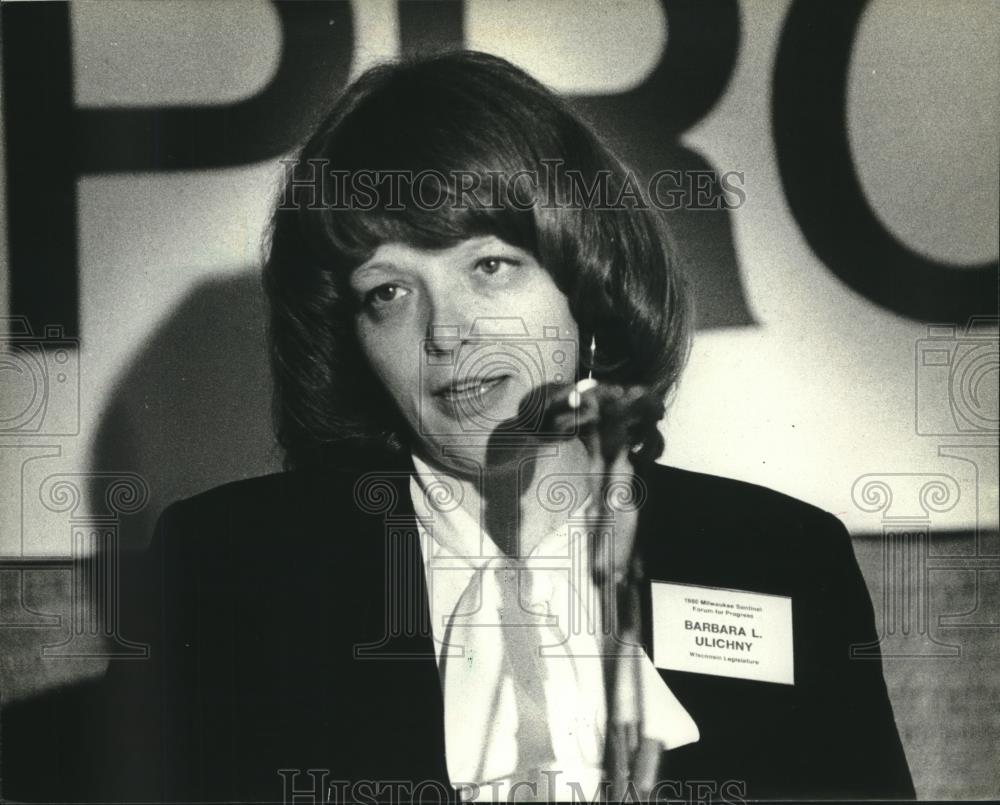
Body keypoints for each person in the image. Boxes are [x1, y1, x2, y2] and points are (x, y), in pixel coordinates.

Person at [106, 50, 915, 802]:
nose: (444, 332)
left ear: (587, 277)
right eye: (387, 291)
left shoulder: (782, 557)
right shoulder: (226, 570)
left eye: (488, 266)